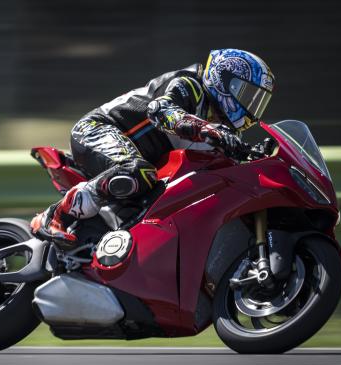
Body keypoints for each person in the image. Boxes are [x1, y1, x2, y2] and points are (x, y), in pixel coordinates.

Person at [30, 48, 275, 248]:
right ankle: (55, 216)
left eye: (256, 100)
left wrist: (252, 156)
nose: (249, 106)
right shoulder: (190, 85)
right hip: (97, 129)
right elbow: (162, 111)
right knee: (137, 172)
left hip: (141, 157)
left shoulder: (218, 129)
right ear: (224, 80)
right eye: (245, 94)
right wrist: (209, 130)